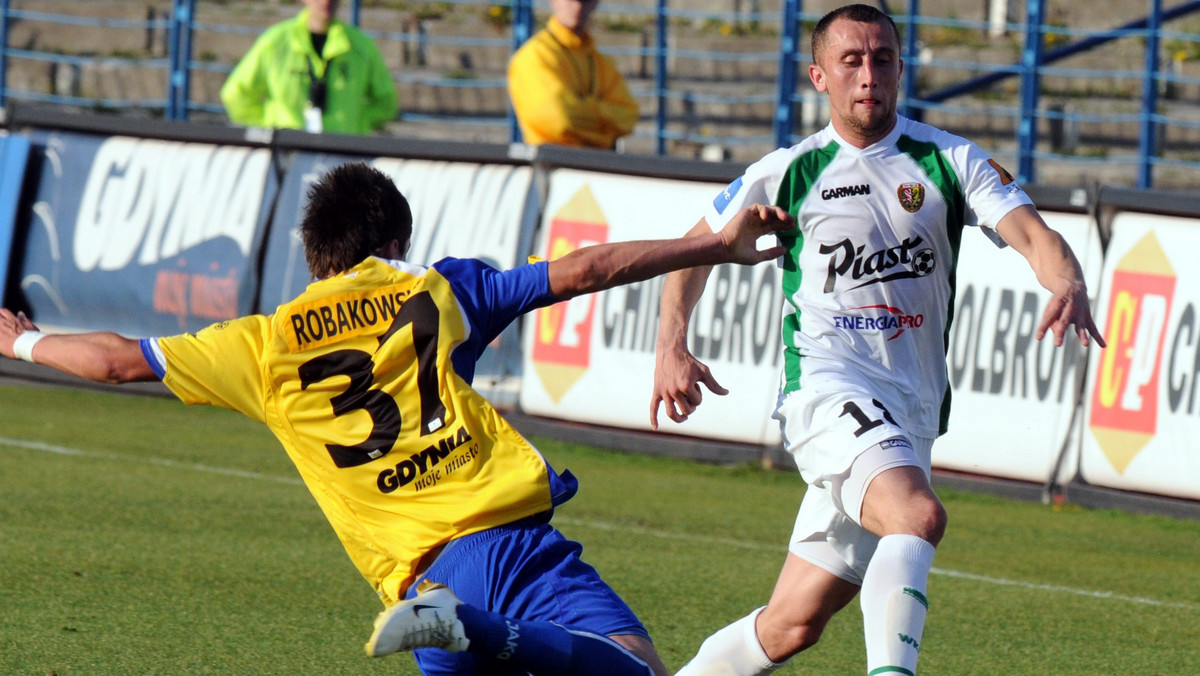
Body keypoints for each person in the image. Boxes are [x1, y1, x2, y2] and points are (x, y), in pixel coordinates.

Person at [0, 162, 792, 676]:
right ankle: (479, 630)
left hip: (420, 577)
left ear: (314, 257)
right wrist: (714, 249)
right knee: (635, 665)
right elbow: (584, 270)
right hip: (513, 542)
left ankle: (460, 626)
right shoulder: (440, 290)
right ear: (397, 240)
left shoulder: (264, 345)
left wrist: (26, 341)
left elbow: (116, 361)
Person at [648, 5, 1106, 676]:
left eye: (882, 59)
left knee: (793, 623)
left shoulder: (948, 160)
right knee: (917, 516)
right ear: (819, 77)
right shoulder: (789, 171)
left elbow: (1035, 236)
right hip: (829, 393)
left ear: (900, 68)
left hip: (909, 412)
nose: (869, 75)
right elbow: (695, 250)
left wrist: (1066, 280)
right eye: (851, 61)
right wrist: (671, 345)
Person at [221, 0, 398, 135]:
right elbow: (235, 94)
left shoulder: (361, 47)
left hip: (341, 153)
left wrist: (357, 125)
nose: (326, 1)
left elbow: (386, 102)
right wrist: (270, 125)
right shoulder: (275, 42)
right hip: (287, 151)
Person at [508, 0, 639, 148]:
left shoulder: (601, 62)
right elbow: (559, 119)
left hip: (594, 164)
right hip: (552, 164)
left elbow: (629, 116)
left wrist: (578, 110)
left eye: (585, 1)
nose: (578, 7)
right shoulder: (534, 56)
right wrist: (605, 129)